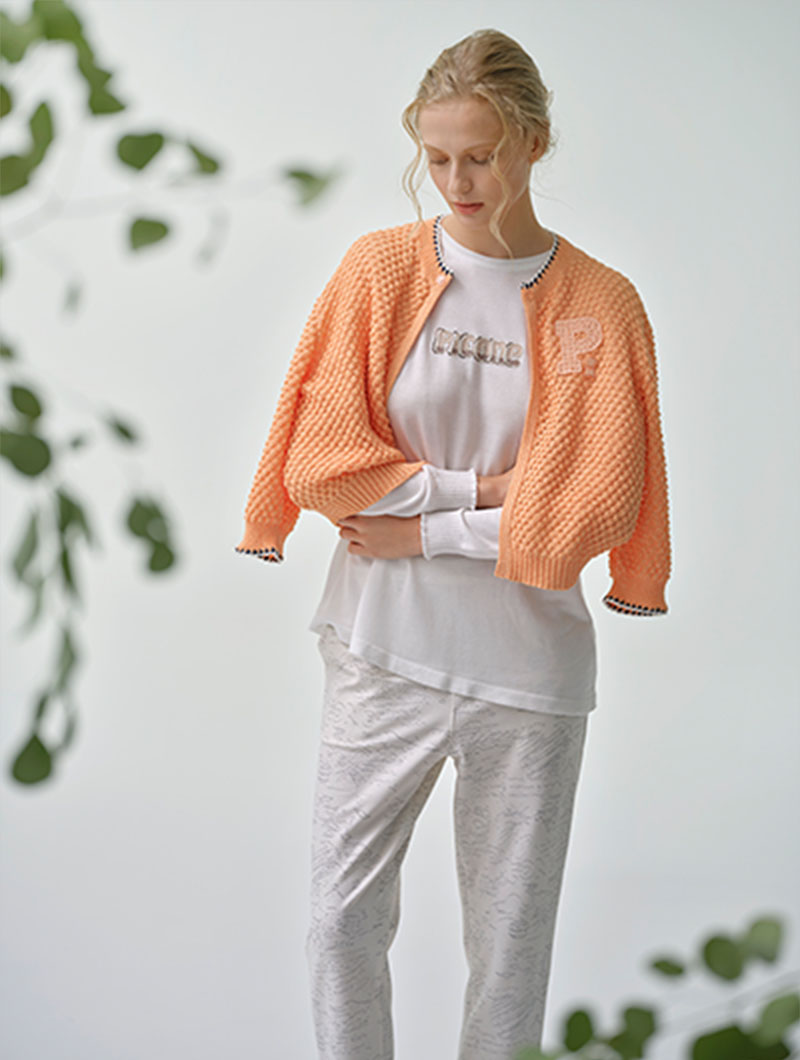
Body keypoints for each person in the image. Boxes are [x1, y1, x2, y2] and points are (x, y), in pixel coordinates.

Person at [234, 27, 671, 1060]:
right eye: (436, 158)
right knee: (341, 925)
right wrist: (488, 490)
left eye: (480, 155)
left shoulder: (601, 304)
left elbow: (590, 505)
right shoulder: (378, 270)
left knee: (509, 955)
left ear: (534, 143)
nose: (457, 181)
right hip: (379, 652)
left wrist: (422, 531)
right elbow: (323, 460)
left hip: (528, 677)